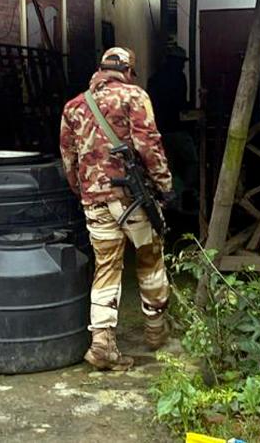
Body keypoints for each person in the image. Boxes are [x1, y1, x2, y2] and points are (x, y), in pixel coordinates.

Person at [59, 47, 174, 371]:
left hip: (94, 201)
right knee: (150, 257)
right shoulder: (134, 96)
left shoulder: (74, 106)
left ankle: (102, 343)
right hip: (132, 198)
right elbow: (149, 145)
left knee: (106, 265)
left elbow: (68, 156)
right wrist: (165, 185)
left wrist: (81, 188)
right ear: (128, 71)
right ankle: (156, 330)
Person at [146, 44, 199, 213]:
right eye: (181, 62)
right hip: (177, 128)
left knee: (169, 166)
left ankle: (175, 199)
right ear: (175, 62)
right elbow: (180, 103)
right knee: (191, 161)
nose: (182, 65)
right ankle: (185, 192)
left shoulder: (154, 79)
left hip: (160, 129)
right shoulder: (179, 78)